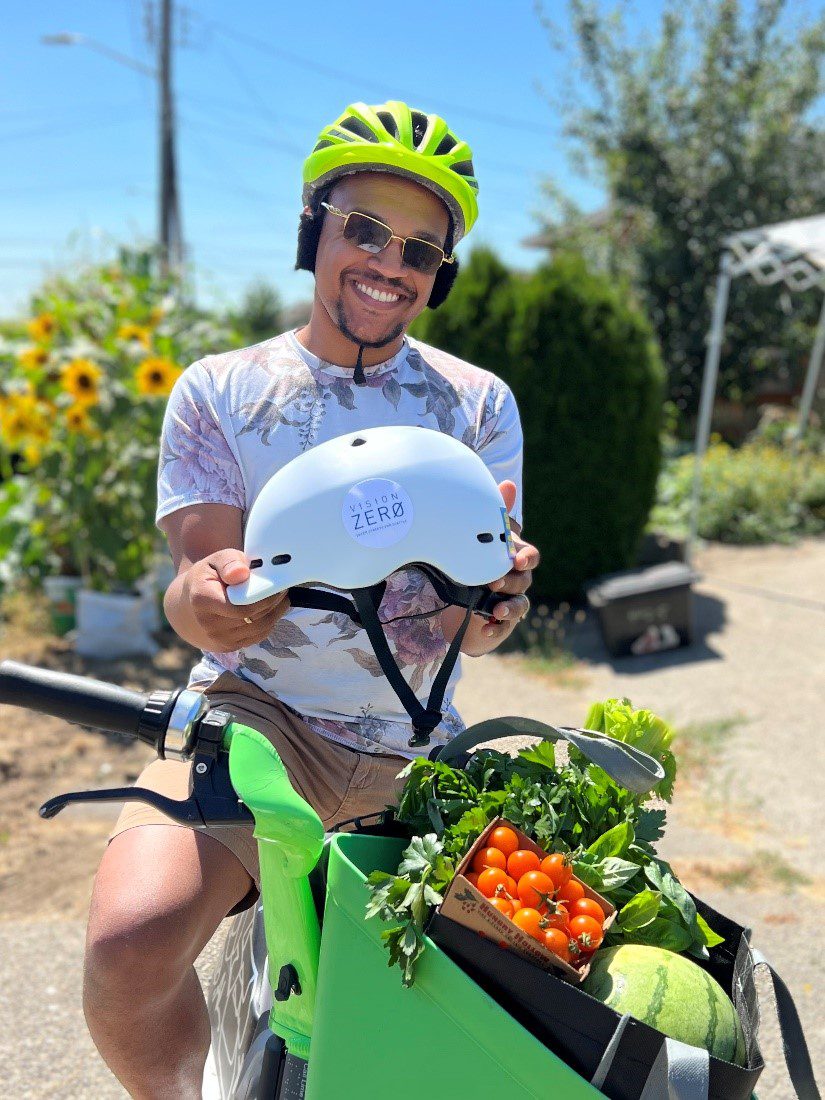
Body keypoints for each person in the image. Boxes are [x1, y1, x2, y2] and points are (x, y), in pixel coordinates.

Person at [83, 100, 540, 1099]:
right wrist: (198, 603)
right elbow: (203, 580)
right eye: (363, 227)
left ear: (441, 273)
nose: (389, 261)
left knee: (508, 1010)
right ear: (313, 228)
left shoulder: (478, 405)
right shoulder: (219, 390)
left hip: (418, 744)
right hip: (257, 721)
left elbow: (473, 620)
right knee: (128, 946)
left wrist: (495, 601)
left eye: (421, 247)